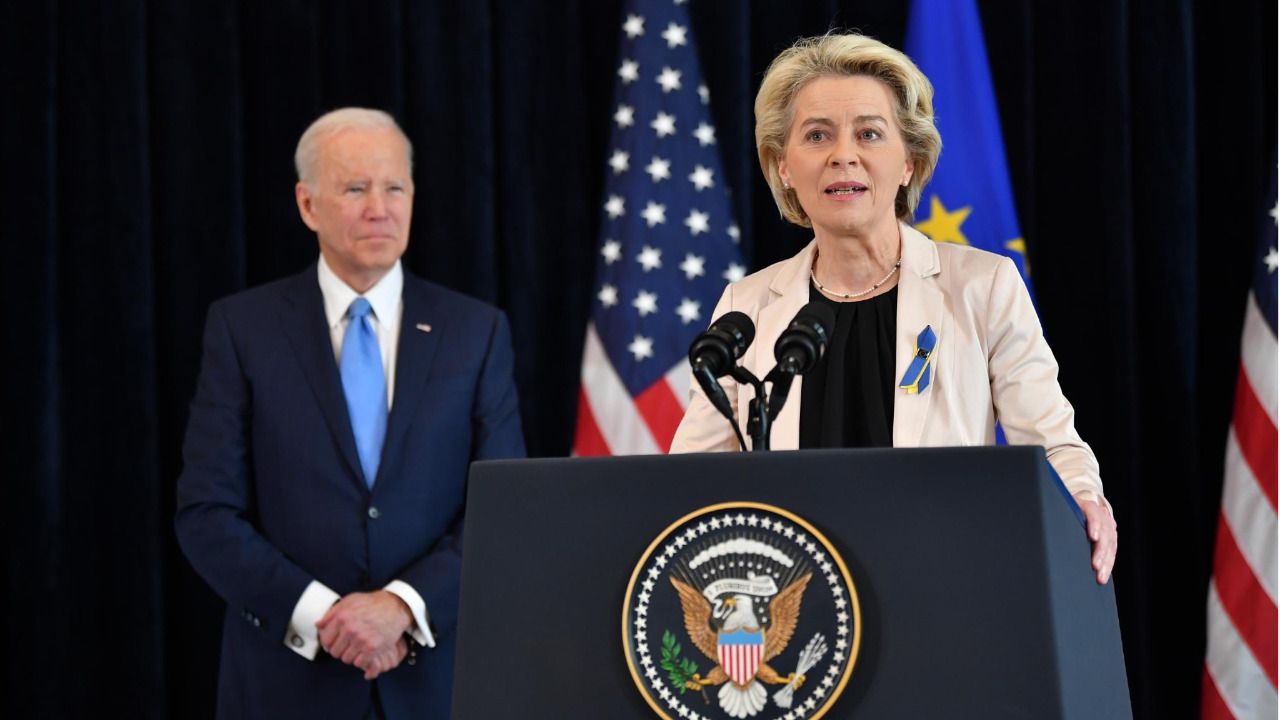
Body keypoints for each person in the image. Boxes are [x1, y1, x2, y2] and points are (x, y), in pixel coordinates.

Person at [670, 34, 1117, 585]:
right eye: (817, 135)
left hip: (942, 586)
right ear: (783, 165)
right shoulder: (747, 307)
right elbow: (688, 483)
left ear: (908, 161)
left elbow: (1051, 445)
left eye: (869, 133)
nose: (843, 154)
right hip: (795, 600)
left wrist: (1084, 504)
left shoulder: (982, 287)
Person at [175, 107, 525, 719]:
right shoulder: (242, 329)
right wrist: (325, 617)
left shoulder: (476, 332)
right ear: (308, 205)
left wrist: (400, 607)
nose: (379, 208)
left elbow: (504, 509)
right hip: (286, 684)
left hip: (437, 687)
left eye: (395, 187)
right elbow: (206, 513)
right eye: (356, 188)